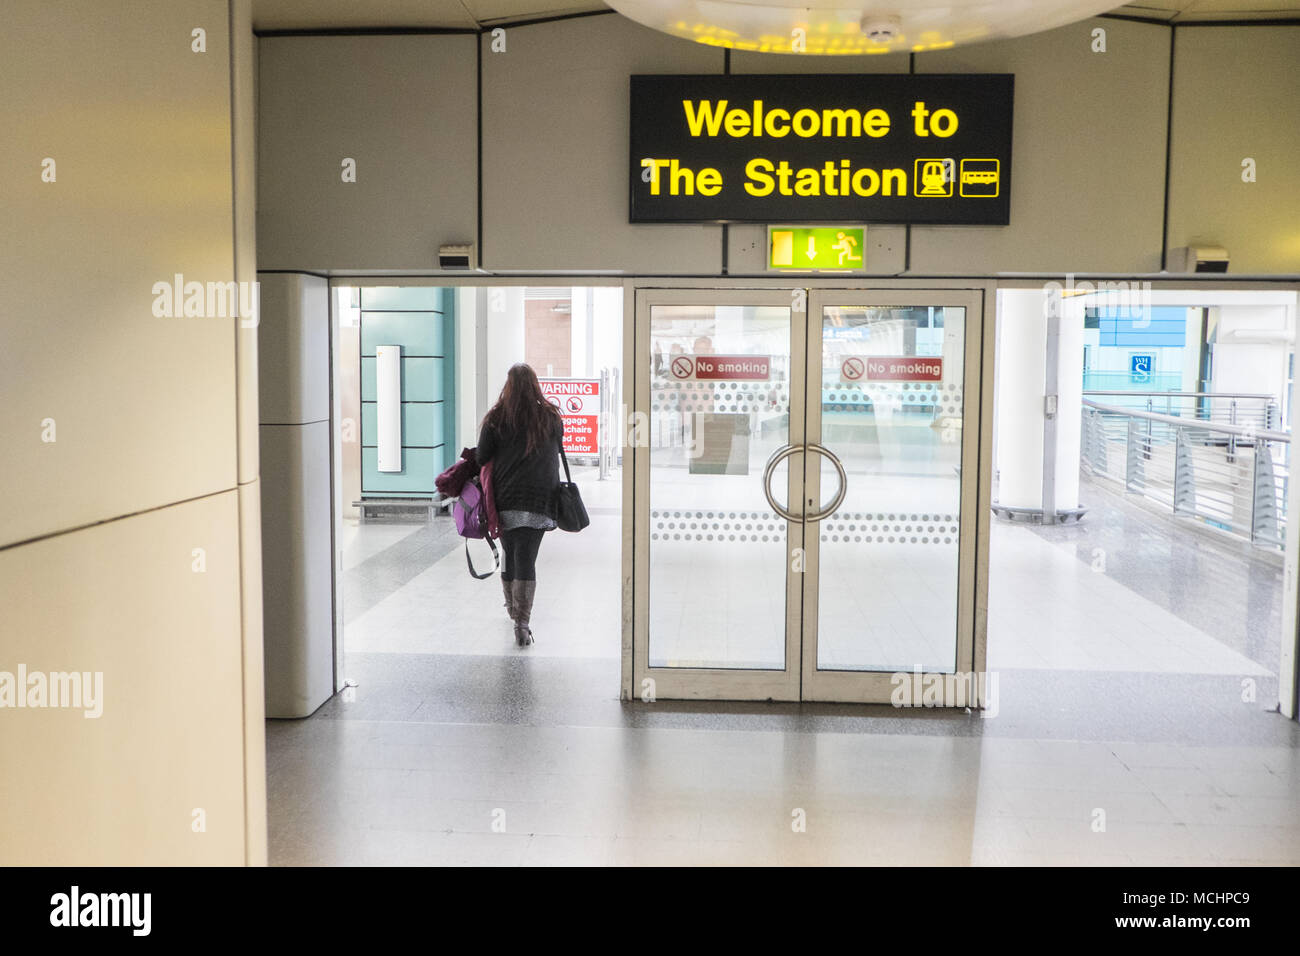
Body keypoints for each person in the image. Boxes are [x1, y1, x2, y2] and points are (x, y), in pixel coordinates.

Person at [475, 363, 563, 646]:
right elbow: (558, 444)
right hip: (539, 498)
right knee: (527, 557)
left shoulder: (497, 418)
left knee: (510, 552)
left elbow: (481, 456)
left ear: (508, 386)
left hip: (505, 498)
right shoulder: (549, 416)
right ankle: (521, 623)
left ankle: (514, 611)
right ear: (535, 385)